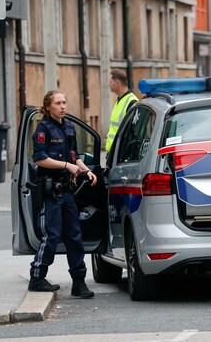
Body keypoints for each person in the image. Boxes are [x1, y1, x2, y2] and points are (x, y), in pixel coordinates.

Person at [28, 90, 98, 298]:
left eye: (64, 102)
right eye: (58, 103)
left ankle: (79, 283)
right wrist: (66, 165)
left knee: (75, 236)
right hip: (51, 191)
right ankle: (37, 278)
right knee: (52, 235)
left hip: (67, 191)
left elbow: (75, 157)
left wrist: (87, 171)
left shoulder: (68, 127)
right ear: (48, 106)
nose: (63, 106)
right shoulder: (43, 129)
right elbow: (40, 159)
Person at [105, 69, 138, 154]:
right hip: (113, 153)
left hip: (120, 154)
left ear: (117, 82)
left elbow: (132, 131)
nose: (109, 84)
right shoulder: (119, 100)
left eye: (110, 82)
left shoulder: (131, 102)